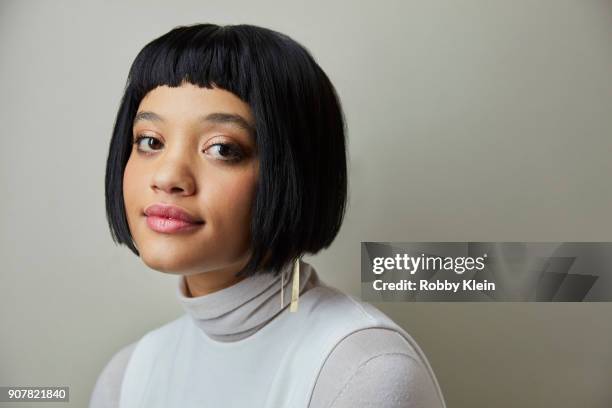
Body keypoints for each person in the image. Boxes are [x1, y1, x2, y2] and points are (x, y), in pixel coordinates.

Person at [91, 23, 447, 408]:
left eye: (223, 149)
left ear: (293, 172)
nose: (168, 177)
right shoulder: (126, 376)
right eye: (150, 142)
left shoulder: (364, 372)